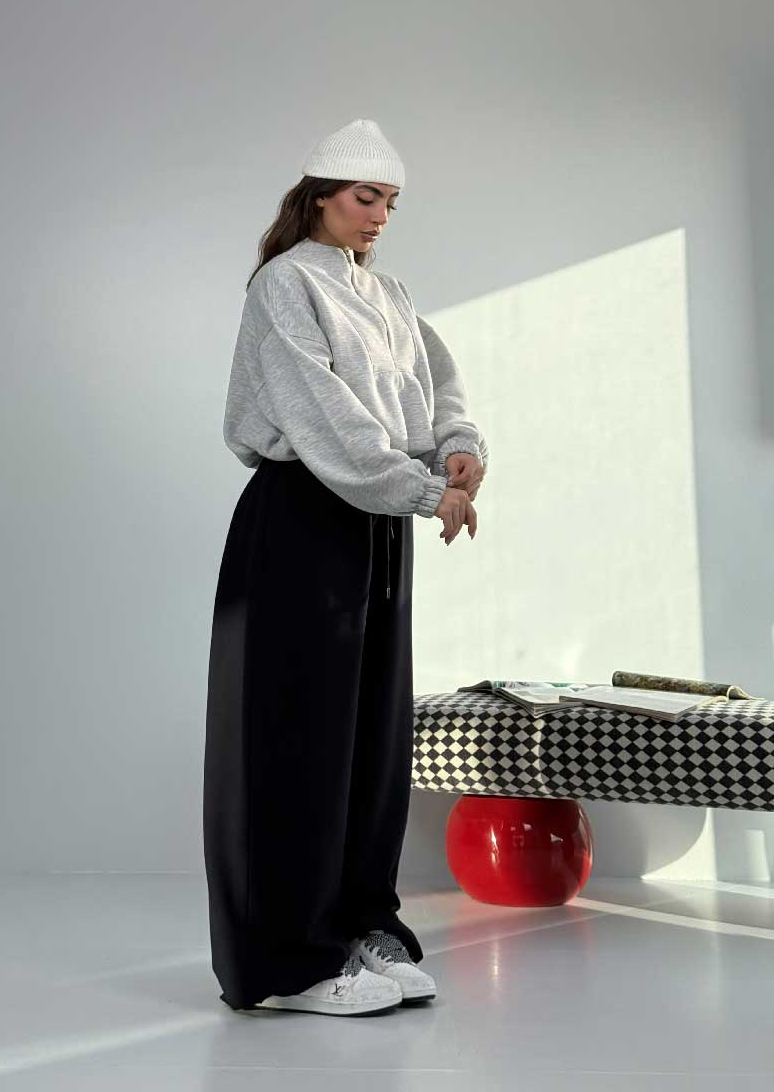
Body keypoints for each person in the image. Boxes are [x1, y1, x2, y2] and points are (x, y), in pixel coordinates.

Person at [203, 118, 488, 1017]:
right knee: (297, 736)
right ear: (319, 195)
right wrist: (419, 487)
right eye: (367, 198)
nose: (380, 216)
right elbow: (321, 412)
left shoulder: (386, 291)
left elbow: (437, 382)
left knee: (370, 739)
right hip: (304, 514)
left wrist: (457, 447)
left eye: (392, 203)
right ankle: (289, 963)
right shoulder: (285, 284)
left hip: (376, 519)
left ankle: (358, 927)